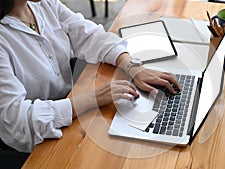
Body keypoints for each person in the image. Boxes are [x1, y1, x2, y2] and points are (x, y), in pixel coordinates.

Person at [0, 0, 180, 167]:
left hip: (70, 109)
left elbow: (91, 36)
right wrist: (90, 99)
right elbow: (17, 118)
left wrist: (133, 67)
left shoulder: (44, 4)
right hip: (36, 140)